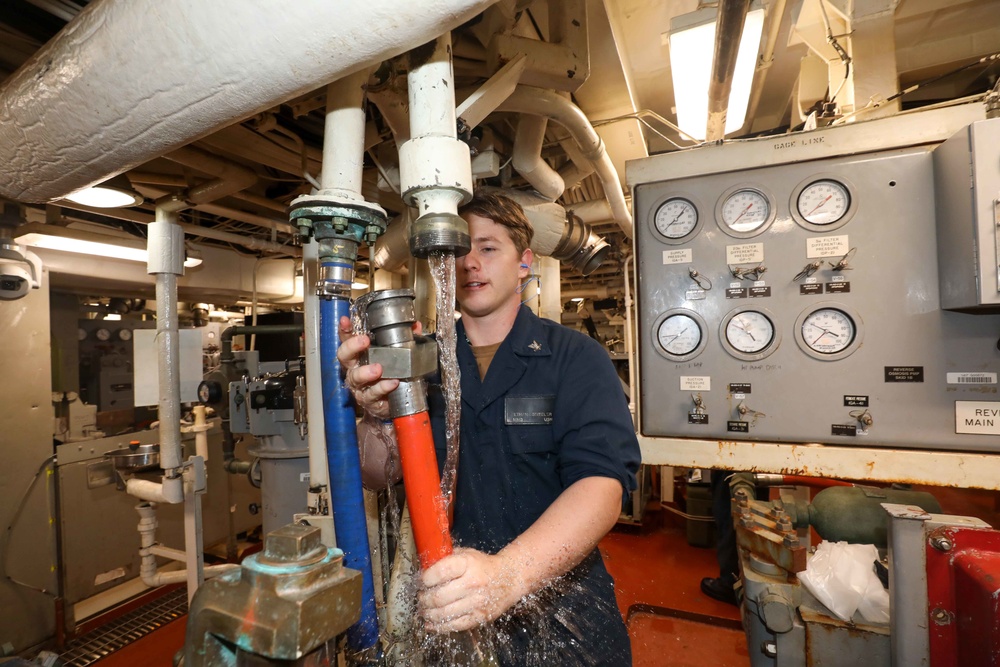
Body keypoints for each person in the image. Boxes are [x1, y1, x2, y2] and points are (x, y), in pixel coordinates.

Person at [338, 191, 641, 665]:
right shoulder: (424, 361)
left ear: (524, 262)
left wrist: (508, 575)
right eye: (459, 251)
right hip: (448, 604)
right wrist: (375, 413)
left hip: (562, 609)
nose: (470, 264)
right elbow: (377, 475)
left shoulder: (575, 358)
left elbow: (602, 486)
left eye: (488, 248)